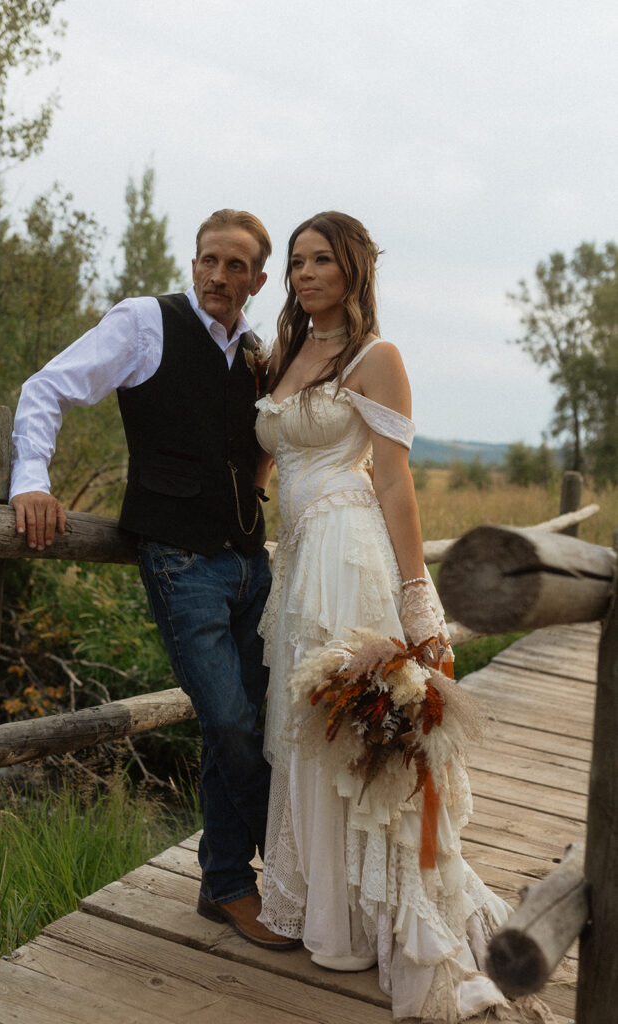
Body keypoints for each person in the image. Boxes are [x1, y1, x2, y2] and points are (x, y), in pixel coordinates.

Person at [254, 212, 554, 1020]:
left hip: (349, 554)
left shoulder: (376, 357)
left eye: (321, 260)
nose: (305, 272)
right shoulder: (283, 354)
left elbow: (392, 481)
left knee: (353, 729)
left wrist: (418, 600)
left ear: (353, 269)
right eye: (296, 261)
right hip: (296, 564)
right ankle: (332, 917)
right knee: (303, 725)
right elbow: (267, 457)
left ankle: (391, 919)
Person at [9, 209, 298, 951]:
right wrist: (30, 483)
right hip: (180, 562)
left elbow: (256, 449)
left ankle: (226, 884)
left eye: (236, 266)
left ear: (258, 280)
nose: (217, 275)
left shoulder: (256, 353)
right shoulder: (145, 323)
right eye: (208, 260)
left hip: (248, 565)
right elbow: (47, 388)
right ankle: (303, 870)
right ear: (193, 262)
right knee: (230, 722)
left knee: (242, 725)